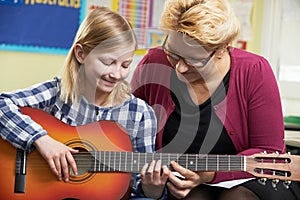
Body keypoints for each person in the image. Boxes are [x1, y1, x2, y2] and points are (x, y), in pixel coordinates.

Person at [130, 0, 300, 199]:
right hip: (183, 186)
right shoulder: (153, 63)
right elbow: (129, 127)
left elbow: (270, 152)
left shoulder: (254, 71)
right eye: (173, 54)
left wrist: (209, 175)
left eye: (193, 60)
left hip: (254, 182)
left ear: (221, 49)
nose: (180, 68)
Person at [0, 6, 163, 199]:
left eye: (125, 65)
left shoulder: (140, 114)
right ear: (81, 54)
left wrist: (153, 189)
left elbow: (139, 193)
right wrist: (41, 140)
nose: (117, 74)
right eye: (108, 62)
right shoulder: (56, 93)